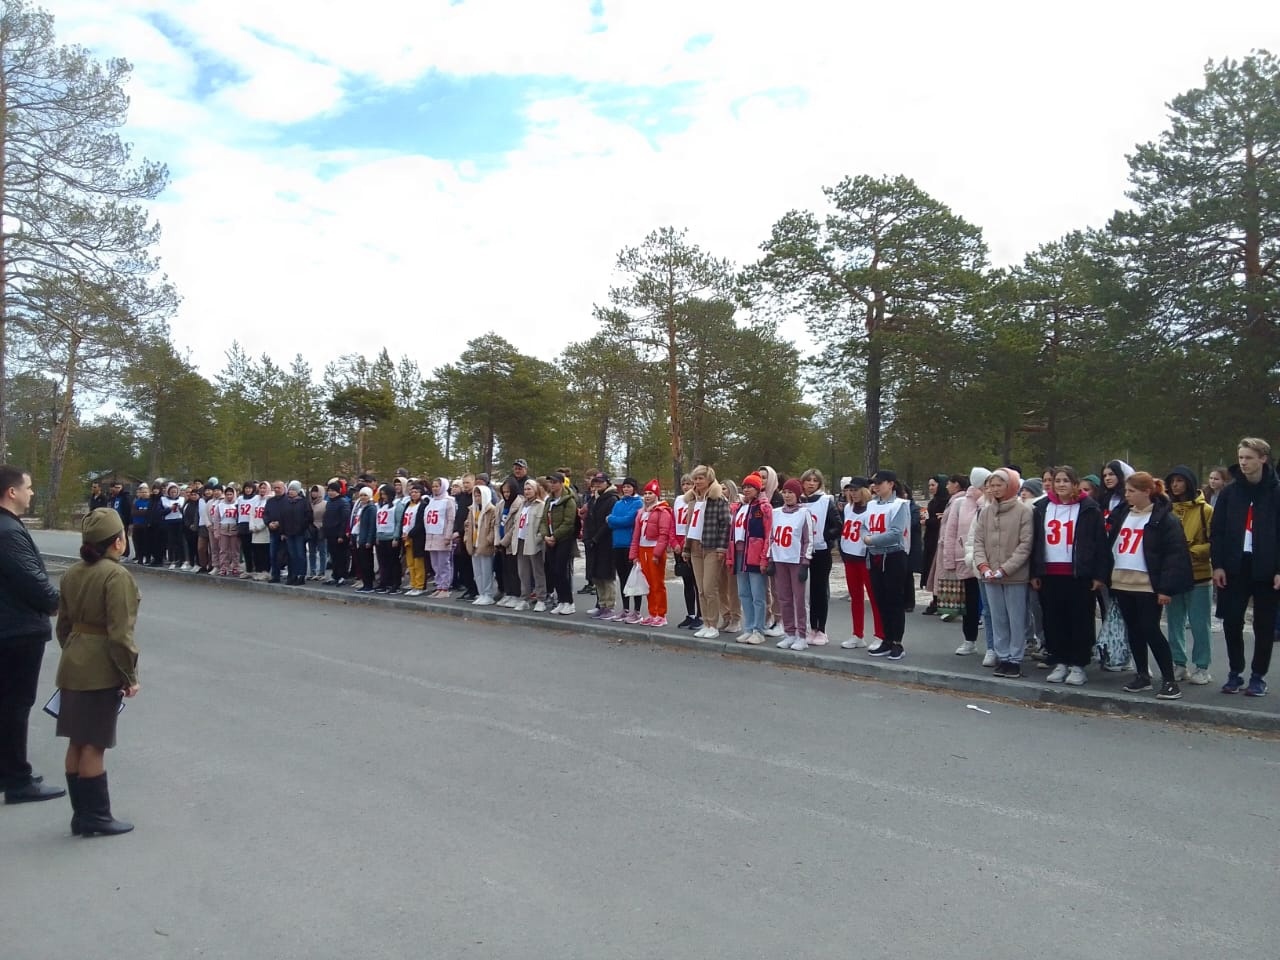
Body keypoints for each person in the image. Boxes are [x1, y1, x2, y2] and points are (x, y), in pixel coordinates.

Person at [53, 508, 141, 835]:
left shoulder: (72, 573)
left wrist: (76, 650)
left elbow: (63, 627)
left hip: (73, 661)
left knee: (77, 740)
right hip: (100, 666)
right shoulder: (116, 576)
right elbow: (120, 634)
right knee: (94, 743)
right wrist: (130, 676)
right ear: (118, 541)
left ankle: (82, 814)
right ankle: (96, 817)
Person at [0, 465, 65, 805]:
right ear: (12, 492)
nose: (32, 492)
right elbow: (30, 580)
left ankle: (7, 770)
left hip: (10, 626)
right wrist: (55, 603)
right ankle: (17, 781)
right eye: (28, 486)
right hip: (16, 630)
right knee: (15, 705)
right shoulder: (8, 531)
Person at [1106, 472, 1192, 700]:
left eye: (1132, 491)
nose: (1127, 495)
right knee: (1133, 630)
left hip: (1147, 584)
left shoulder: (1164, 518)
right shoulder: (1123, 513)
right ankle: (1142, 674)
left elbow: (1174, 555)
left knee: (1150, 629)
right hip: (1122, 580)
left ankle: (1169, 680)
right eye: (1126, 491)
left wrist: (1165, 588)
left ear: (1147, 492)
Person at [1210, 438, 1279, 697]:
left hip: (1266, 568)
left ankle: (1258, 675)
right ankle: (1235, 671)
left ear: (1263, 458)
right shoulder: (1230, 492)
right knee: (1232, 621)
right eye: (1241, 457)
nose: (1243, 462)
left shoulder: (1275, 491)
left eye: (1249, 457)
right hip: (1234, 567)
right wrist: (1218, 565)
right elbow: (1217, 532)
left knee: (1263, 625)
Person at [1030, 466, 1108, 686]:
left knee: (1080, 620)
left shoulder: (1089, 508)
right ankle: (1060, 661)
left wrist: (1099, 574)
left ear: (1075, 484)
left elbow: (1099, 543)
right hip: (1050, 573)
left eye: (1066, 481)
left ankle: (1078, 664)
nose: (1061, 485)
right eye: (1057, 481)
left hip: (1078, 574)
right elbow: (1035, 542)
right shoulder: (1042, 507)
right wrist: (1035, 571)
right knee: (1054, 620)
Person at [973, 468, 1034, 678]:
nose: (996, 489)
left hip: (1014, 575)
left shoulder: (1024, 511)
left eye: (1000, 485)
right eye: (992, 485)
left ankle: (1016, 658)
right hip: (990, 575)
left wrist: (1005, 569)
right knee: (997, 617)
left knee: (1016, 618)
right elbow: (978, 541)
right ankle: (1003, 655)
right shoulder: (986, 511)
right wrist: (983, 566)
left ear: (1011, 486)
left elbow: (1025, 544)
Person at [1164, 466, 1214, 684]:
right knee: (1174, 622)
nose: (1175, 485)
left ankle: (1202, 667)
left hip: (1199, 574)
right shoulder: (1165, 509)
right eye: (1172, 481)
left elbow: (1215, 543)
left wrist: (1191, 551)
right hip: (1173, 575)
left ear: (1189, 483)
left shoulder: (1206, 511)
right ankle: (1179, 664)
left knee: (1199, 622)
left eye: (1180, 481)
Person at [863, 469, 910, 660]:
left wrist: (871, 540)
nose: (875, 486)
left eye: (879, 483)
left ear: (891, 484)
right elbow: (864, 527)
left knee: (894, 600)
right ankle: (887, 638)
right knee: (880, 599)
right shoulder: (872, 505)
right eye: (873, 483)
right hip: (875, 556)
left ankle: (897, 642)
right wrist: (867, 539)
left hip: (893, 556)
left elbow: (896, 532)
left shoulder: (900, 505)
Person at [682, 465, 731, 640]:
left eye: (700, 478)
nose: (697, 482)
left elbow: (726, 524)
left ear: (709, 479)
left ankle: (714, 624)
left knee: (710, 587)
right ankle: (706, 622)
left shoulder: (718, 500)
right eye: (695, 478)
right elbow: (689, 525)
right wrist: (686, 548)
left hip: (711, 547)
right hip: (694, 546)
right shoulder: (693, 500)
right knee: (701, 589)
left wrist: (721, 547)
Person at [838, 478, 884, 650]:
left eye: (856, 490)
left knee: (874, 598)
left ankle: (880, 634)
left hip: (866, 559)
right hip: (850, 557)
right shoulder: (848, 508)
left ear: (865, 490)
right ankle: (857, 634)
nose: (853, 493)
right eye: (850, 490)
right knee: (855, 597)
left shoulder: (872, 509)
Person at [799, 468, 842, 645]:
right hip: (801, 553)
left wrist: (824, 536)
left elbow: (838, 525)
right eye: (808, 480)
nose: (811, 483)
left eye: (814, 480)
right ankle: (808, 627)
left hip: (821, 551)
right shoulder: (799, 501)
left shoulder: (826, 501)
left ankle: (820, 629)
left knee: (819, 591)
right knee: (804, 593)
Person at [770, 478, 813, 650]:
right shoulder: (777, 513)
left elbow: (808, 540)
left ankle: (802, 634)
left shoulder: (804, 513)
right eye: (785, 492)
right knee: (784, 598)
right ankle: (789, 632)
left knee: (800, 600)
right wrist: (770, 559)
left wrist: (805, 562)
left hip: (796, 561)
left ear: (797, 495)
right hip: (780, 559)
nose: (787, 496)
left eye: (791, 493)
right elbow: (772, 538)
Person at [729, 474, 773, 643]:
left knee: (758, 594)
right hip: (740, 554)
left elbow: (768, 533)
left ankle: (759, 629)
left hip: (754, 555)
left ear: (758, 489)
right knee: (744, 593)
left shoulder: (763, 508)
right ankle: (748, 627)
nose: (746, 490)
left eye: (750, 487)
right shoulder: (739, 507)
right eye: (744, 487)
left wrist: (764, 557)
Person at [630, 480, 674, 627]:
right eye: (646, 493)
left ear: (656, 495)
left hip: (654, 550)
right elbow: (636, 535)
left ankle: (661, 614)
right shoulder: (641, 513)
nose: (647, 496)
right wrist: (634, 554)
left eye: (650, 493)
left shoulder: (663, 511)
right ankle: (652, 612)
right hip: (643, 550)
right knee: (647, 583)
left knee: (657, 583)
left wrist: (657, 554)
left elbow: (664, 534)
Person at [606, 478, 644, 623]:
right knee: (622, 578)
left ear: (634, 488)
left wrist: (613, 519)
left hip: (630, 544)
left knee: (633, 578)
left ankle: (637, 610)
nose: (626, 489)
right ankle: (626, 609)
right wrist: (613, 520)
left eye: (629, 487)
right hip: (617, 544)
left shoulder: (638, 503)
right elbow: (610, 523)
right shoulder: (618, 503)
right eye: (625, 487)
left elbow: (628, 520)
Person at [508, 479, 547, 610]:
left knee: (537, 571)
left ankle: (541, 598)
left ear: (536, 490)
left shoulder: (540, 505)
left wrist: (538, 539)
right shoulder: (522, 505)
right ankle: (525, 598)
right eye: (525, 489)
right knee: (523, 572)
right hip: (520, 541)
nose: (527, 492)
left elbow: (543, 524)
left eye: (529, 489)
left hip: (533, 542)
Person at [542, 473, 578, 615]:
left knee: (561, 571)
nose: (552, 485)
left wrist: (555, 536)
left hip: (563, 540)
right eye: (550, 482)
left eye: (555, 482)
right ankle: (561, 601)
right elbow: (544, 520)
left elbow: (569, 523)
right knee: (552, 571)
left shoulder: (569, 501)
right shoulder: (549, 500)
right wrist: (546, 535)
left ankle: (569, 601)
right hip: (550, 540)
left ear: (562, 483)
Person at [585, 474, 620, 619]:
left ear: (607, 483)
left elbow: (607, 523)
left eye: (601, 482)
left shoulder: (612, 499)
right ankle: (601, 603)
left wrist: (596, 538)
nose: (598, 485)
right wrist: (587, 538)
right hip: (593, 541)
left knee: (607, 575)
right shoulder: (594, 498)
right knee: (596, 574)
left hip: (606, 541)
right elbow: (588, 519)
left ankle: (609, 606)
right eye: (595, 482)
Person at [671, 474, 702, 631]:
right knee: (687, 582)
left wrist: (686, 545)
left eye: (689, 484)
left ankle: (700, 615)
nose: (686, 487)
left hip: (692, 545)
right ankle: (690, 614)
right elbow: (672, 523)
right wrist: (674, 543)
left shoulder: (699, 500)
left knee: (698, 583)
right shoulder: (678, 500)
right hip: (679, 546)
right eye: (684, 484)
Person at [919, 473, 950, 615]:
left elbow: (941, 520)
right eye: (929, 485)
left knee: (939, 570)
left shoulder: (946, 501)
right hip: (931, 538)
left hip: (940, 538)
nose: (930, 488)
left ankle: (941, 601)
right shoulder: (934, 501)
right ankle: (935, 599)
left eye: (933, 485)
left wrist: (928, 521)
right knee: (931, 569)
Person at [464, 484, 499, 605]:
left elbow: (493, 528)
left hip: (485, 545)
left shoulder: (492, 510)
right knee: (477, 572)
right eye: (475, 495)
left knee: (486, 572)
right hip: (473, 544)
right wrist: (466, 539)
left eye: (479, 495)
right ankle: (481, 593)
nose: (477, 498)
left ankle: (488, 594)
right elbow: (468, 526)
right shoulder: (472, 510)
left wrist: (488, 541)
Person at [423, 477, 456, 599]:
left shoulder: (449, 501)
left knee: (444, 563)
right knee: (435, 564)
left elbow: (451, 519)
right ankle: (439, 586)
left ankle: (445, 587)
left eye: (437, 486)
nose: (435, 488)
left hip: (442, 535)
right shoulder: (431, 501)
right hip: (431, 536)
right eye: (434, 486)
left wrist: (448, 536)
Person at [278, 481, 313, 586]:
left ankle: (301, 575)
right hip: (289, 533)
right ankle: (293, 575)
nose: (291, 492)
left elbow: (309, 517)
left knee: (300, 555)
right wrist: (282, 531)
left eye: (294, 490)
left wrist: (301, 527)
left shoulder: (303, 502)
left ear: (298, 491)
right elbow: (282, 518)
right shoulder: (286, 503)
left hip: (300, 533)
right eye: (290, 489)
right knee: (292, 555)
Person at [322, 480, 352, 587]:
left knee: (341, 556)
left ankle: (342, 576)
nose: (330, 492)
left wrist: (341, 535)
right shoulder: (329, 502)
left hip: (339, 534)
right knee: (333, 556)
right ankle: (335, 576)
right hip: (330, 533)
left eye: (333, 490)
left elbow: (345, 520)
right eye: (329, 490)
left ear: (338, 491)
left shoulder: (343, 502)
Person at [350, 486, 377, 593]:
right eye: (361, 495)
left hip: (365, 539)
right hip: (358, 537)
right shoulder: (361, 507)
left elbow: (371, 526)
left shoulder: (371, 508)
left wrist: (369, 540)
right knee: (361, 562)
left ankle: (369, 584)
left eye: (365, 495)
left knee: (367, 563)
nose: (363, 497)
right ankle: (365, 583)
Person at [212, 486, 242, 577]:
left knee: (235, 550)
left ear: (234, 494)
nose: (229, 496)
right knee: (223, 550)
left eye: (231, 494)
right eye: (227, 494)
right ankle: (224, 567)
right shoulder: (220, 505)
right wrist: (216, 531)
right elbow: (216, 519)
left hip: (234, 529)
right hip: (223, 529)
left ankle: (235, 567)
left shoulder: (237, 504)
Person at [307, 485, 328, 581]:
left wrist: (323, 526)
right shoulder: (309, 503)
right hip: (311, 529)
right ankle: (312, 571)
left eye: (316, 491)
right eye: (312, 491)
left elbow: (327, 517)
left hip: (321, 529)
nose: (314, 493)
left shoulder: (325, 504)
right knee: (312, 551)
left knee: (322, 552)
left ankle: (322, 571)